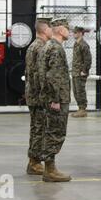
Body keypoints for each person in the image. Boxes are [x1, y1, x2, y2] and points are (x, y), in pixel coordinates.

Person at [38, 17, 72, 182]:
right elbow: (53, 76)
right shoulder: (56, 49)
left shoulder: (47, 46)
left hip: (50, 97)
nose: (69, 31)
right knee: (56, 133)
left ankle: (49, 168)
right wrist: (56, 99)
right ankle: (50, 170)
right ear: (60, 30)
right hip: (56, 98)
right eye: (67, 28)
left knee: (50, 131)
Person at [25, 15, 52, 175]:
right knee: (39, 129)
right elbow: (38, 75)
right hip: (38, 96)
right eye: (50, 27)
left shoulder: (34, 46)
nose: (52, 30)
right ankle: (34, 162)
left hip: (33, 94)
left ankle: (34, 160)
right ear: (44, 29)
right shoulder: (40, 46)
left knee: (37, 128)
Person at [71, 26, 92, 118]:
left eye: (75, 33)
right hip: (75, 72)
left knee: (80, 91)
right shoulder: (76, 44)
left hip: (80, 72)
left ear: (80, 33)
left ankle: (83, 109)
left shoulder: (83, 45)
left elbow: (88, 59)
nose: (73, 34)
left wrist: (84, 71)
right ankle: (80, 108)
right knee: (76, 91)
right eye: (73, 32)